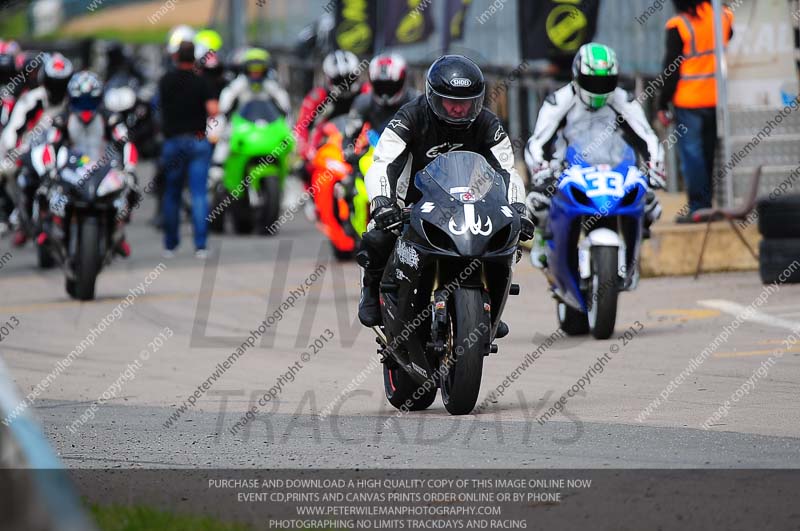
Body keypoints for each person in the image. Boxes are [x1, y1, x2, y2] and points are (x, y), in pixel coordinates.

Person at [357, 54, 533, 328]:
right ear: (433, 97)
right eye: (452, 103)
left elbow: (507, 170)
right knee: (377, 237)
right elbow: (383, 161)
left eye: (467, 104)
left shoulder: (488, 123)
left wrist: (518, 208)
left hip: (471, 202)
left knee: (507, 243)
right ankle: (370, 291)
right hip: (412, 201)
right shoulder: (410, 115)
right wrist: (382, 201)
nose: (459, 110)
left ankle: (489, 307)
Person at [524, 42, 664, 268]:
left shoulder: (623, 100)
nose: (599, 88)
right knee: (537, 202)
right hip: (567, 171)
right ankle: (542, 236)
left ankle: (634, 249)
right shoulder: (559, 101)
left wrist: (656, 167)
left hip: (616, 168)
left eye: (605, 82)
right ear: (577, 76)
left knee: (651, 204)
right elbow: (536, 143)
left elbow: (647, 136)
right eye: (592, 81)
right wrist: (541, 170)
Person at [657, 0, 734, 222]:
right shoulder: (723, 15)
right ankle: (708, 206)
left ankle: (699, 208)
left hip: (689, 101)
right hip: (717, 98)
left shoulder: (680, 24)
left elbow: (670, 69)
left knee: (693, 158)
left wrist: (662, 102)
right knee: (708, 154)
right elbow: (729, 37)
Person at [0, 53, 73, 246]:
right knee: (8, 171)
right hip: (32, 151)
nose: (57, 88)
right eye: (54, 83)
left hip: (65, 150)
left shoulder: (74, 100)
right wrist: (11, 150)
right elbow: (13, 128)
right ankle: (21, 218)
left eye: (62, 83)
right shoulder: (32, 99)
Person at [158, 40, 219, 258]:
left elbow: (158, 107)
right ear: (194, 58)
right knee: (199, 194)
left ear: (175, 57)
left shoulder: (165, 81)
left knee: (172, 194)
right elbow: (214, 110)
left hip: (173, 141)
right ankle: (200, 245)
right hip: (198, 140)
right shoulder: (201, 81)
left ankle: (170, 245)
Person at [208, 47, 290, 184]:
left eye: (259, 70)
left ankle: (287, 179)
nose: (255, 74)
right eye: (253, 70)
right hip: (241, 127)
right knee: (224, 137)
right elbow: (224, 106)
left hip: (264, 128)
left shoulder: (271, 86)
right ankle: (217, 172)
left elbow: (285, 108)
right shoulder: (238, 85)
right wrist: (224, 118)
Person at [296, 50, 365, 182]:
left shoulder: (366, 92)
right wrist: (306, 151)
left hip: (361, 145)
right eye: (340, 80)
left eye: (349, 78)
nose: (346, 84)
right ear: (329, 78)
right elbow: (302, 126)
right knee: (305, 170)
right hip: (328, 147)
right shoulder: (317, 96)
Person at [344, 53, 418, 145]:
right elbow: (350, 136)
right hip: (374, 154)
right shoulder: (363, 102)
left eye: (390, 85)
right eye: (380, 85)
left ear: (402, 81)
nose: (386, 90)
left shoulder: (417, 102)